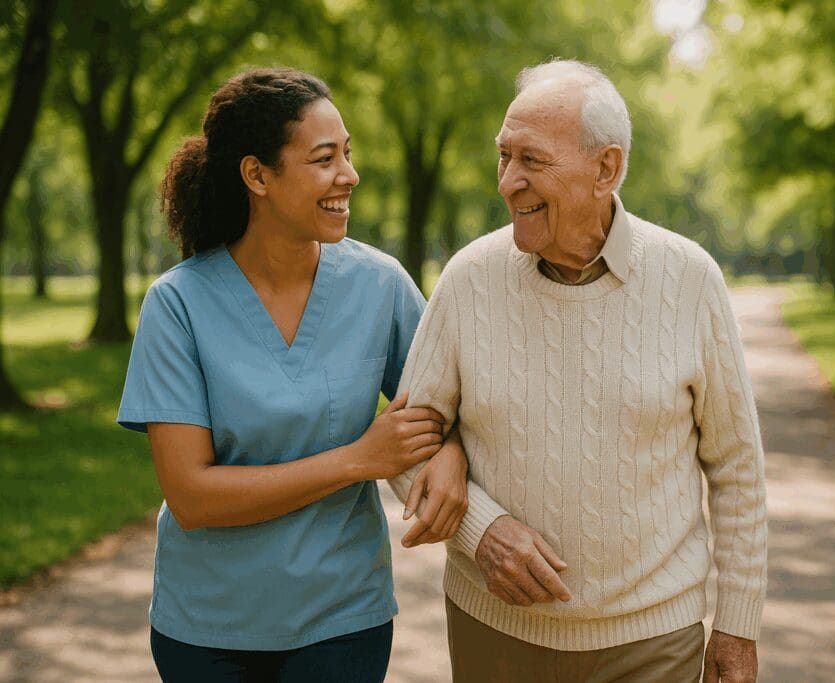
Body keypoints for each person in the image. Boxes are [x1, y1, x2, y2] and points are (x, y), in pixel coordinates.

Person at [390, 59, 768, 682]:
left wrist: (737, 625)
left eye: (531, 161)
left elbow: (736, 466)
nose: (508, 181)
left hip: (652, 638)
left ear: (606, 169)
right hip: (496, 633)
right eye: (503, 156)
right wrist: (480, 532)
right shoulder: (467, 279)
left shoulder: (690, 279)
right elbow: (405, 446)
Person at [117, 68, 468, 682]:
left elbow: (453, 403)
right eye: (324, 158)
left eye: (348, 154)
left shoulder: (380, 285)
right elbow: (192, 495)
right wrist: (359, 459)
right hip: (207, 628)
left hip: (343, 617)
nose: (349, 175)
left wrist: (454, 451)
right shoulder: (177, 305)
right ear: (257, 176)